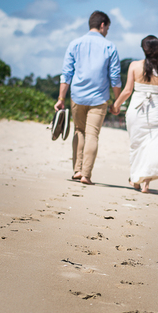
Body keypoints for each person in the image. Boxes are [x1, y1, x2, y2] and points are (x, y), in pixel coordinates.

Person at [55, 11, 121, 185]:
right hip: (99, 99)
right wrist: (117, 101)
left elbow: (66, 74)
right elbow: (115, 77)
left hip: (77, 96)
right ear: (102, 25)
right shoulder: (110, 47)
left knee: (79, 131)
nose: (107, 31)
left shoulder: (75, 44)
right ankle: (86, 175)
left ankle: (77, 170)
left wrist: (61, 98)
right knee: (93, 135)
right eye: (108, 27)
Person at [111, 35, 158, 193]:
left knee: (136, 145)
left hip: (137, 110)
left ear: (144, 49)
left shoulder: (134, 65)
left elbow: (127, 91)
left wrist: (116, 105)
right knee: (152, 146)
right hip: (156, 111)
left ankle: (135, 179)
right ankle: (146, 182)